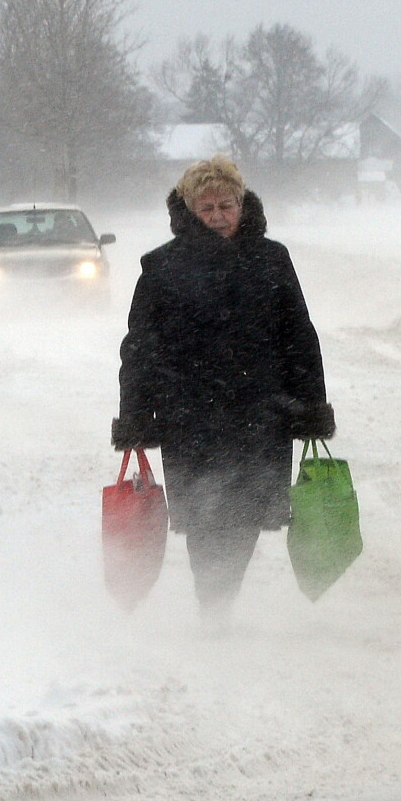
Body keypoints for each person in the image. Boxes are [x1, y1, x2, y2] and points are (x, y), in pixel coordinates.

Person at [112, 156, 335, 627]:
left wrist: (312, 403)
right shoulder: (162, 268)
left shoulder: (272, 260)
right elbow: (139, 348)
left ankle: (220, 598)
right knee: (204, 518)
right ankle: (213, 602)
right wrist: (135, 414)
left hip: (262, 412)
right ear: (190, 210)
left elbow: (299, 334)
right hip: (190, 415)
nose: (217, 215)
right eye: (207, 207)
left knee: (248, 514)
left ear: (242, 203)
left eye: (226, 205)